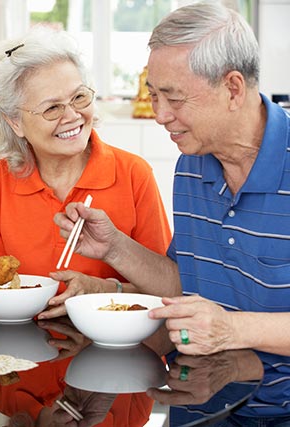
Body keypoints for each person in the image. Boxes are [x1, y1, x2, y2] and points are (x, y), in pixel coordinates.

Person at [54, 2, 290, 420]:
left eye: (174, 98)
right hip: (201, 406)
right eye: (152, 95)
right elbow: (188, 283)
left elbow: (221, 324)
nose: (160, 115)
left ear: (233, 88)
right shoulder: (192, 165)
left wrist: (232, 330)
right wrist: (114, 249)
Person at [0, 27, 171, 425]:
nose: (73, 117)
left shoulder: (133, 174)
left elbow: (170, 292)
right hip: (19, 367)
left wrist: (104, 291)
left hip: (122, 371)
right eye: (52, 108)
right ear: (15, 121)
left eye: (79, 97)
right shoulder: (2, 177)